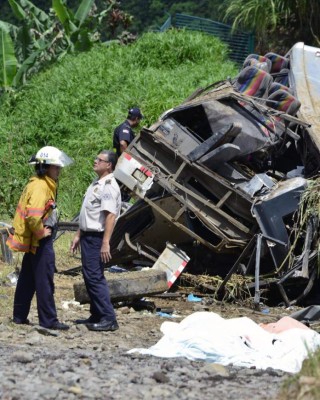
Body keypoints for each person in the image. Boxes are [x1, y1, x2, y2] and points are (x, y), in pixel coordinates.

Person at [7, 146, 73, 330]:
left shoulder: (39, 183)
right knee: (44, 281)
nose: (58, 170)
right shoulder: (41, 186)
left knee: (27, 279)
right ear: (45, 168)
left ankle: (19, 316)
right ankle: (49, 321)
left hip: (35, 241)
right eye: (55, 167)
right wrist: (40, 232)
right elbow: (33, 215)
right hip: (41, 240)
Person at [70, 150, 121, 332]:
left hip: (97, 238)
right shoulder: (96, 184)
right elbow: (87, 213)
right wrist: (78, 234)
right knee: (89, 276)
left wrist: (105, 242)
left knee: (95, 277)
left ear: (109, 165)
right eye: (96, 158)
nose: (95, 161)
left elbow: (110, 216)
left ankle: (108, 318)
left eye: (100, 160)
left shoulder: (108, 186)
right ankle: (97, 314)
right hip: (87, 235)